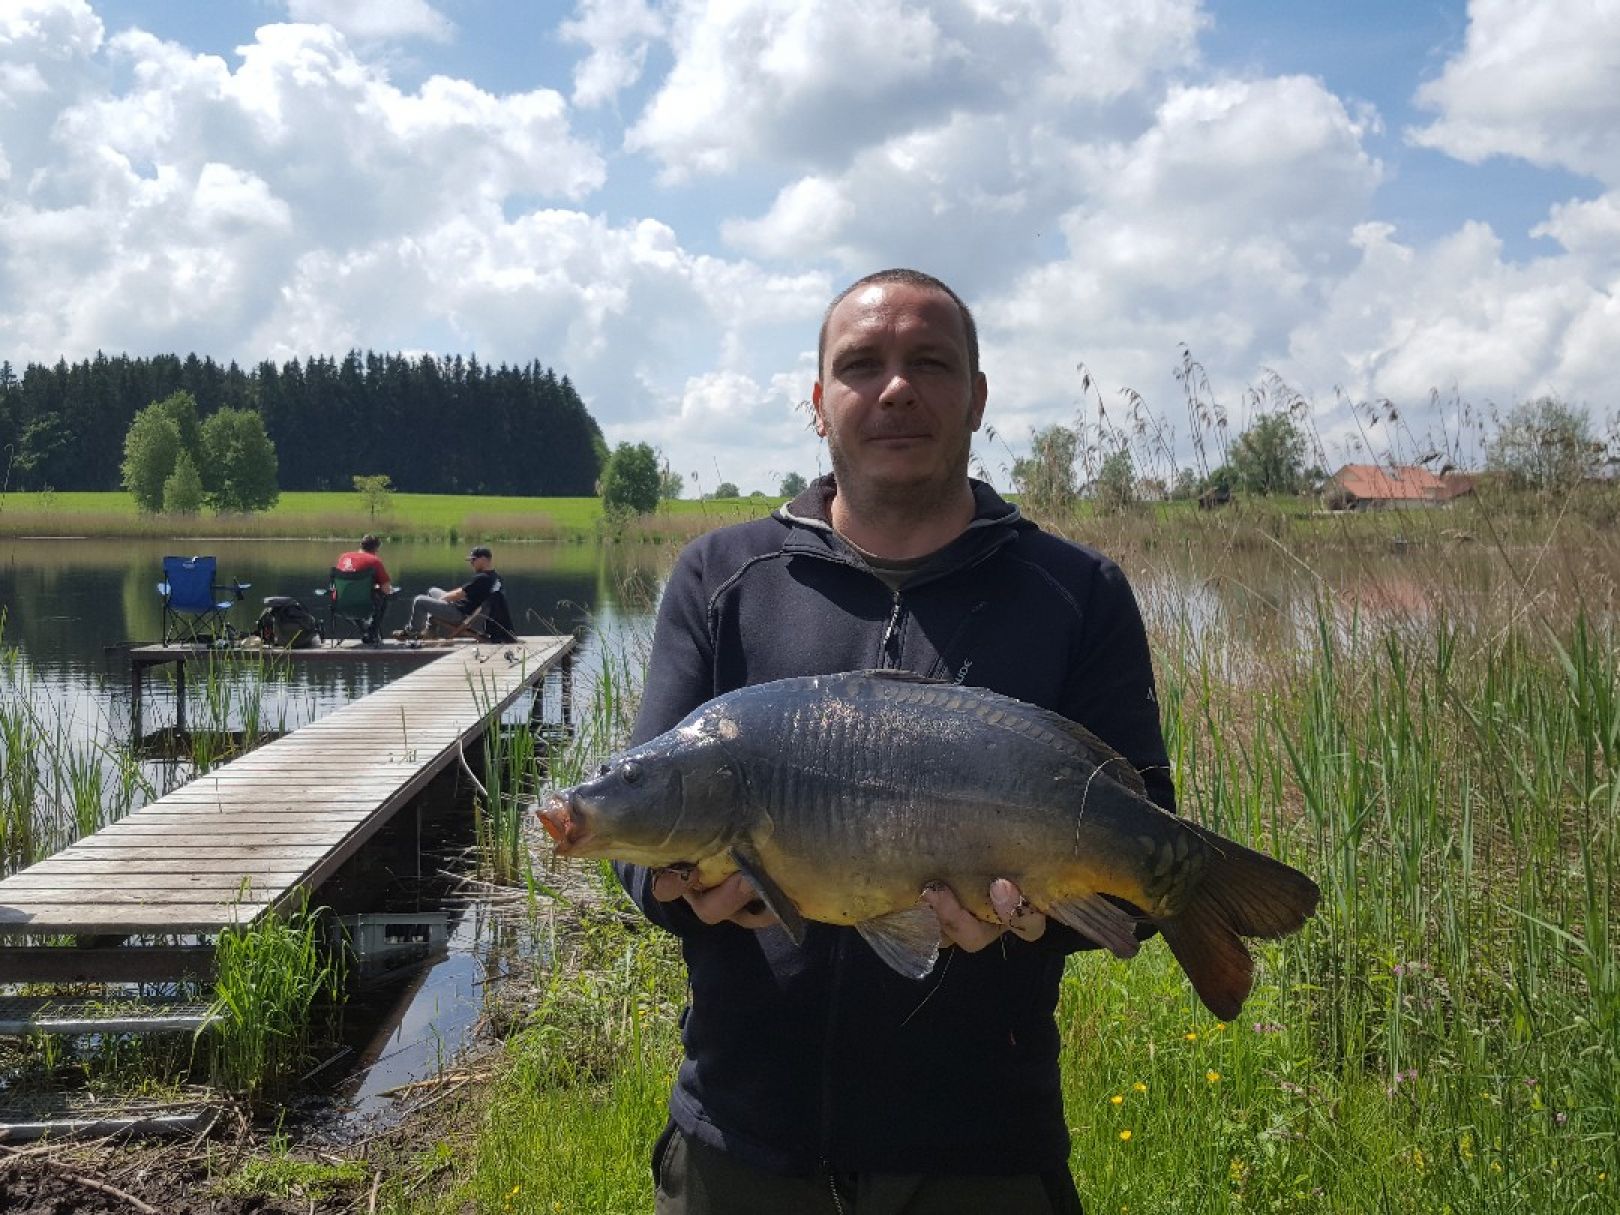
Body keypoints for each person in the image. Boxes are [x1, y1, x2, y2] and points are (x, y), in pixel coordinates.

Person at [616, 268, 1175, 1213]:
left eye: (929, 362)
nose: (896, 388)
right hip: (742, 1137)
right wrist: (683, 893)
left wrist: (1033, 927)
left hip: (983, 1149)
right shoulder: (721, 577)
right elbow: (643, 821)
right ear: (819, 404)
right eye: (861, 364)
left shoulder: (1078, 593)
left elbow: (1143, 853)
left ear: (978, 397)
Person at [397, 545, 513, 640]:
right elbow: (463, 591)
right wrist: (445, 597)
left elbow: (458, 595)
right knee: (433, 591)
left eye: (473, 560)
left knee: (420, 600)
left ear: (483, 559)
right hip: (464, 608)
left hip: (460, 614)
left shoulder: (482, 578)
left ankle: (412, 632)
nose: (471, 563)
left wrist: (443, 600)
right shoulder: (495, 577)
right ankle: (431, 631)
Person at [333, 533, 394, 644]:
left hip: (339, 603)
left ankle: (365, 629)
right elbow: (386, 589)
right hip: (364, 605)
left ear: (361, 546)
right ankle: (372, 633)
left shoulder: (344, 557)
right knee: (383, 597)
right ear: (376, 548)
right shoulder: (374, 561)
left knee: (354, 598)